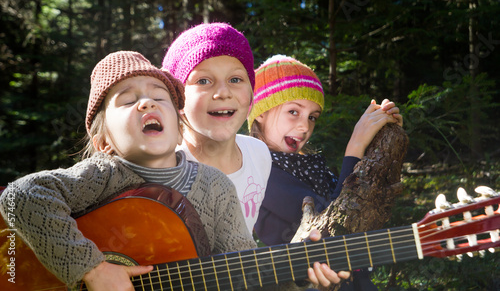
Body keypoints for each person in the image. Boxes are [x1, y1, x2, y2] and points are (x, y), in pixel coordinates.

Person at [0, 51, 348, 290]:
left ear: (178, 123)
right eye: (126, 100)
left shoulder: (215, 187)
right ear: (103, 139)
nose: (147, 102)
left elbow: (243, 271)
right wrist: (92, 269)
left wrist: (299, 273)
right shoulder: (105, 174)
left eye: (159, 96)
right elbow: (21, 195)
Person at [248, 55, 403, 290]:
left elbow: (362, 204)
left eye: (312, 117)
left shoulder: (310, 166)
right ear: (261, 112)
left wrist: (383, 138)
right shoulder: (260, 171)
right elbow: (333, 223)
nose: (305, 126)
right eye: (293, 112)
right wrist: (356, 145)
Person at [161, 22, 272, 233]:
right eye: (203, 80)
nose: (223, 92)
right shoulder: (163, 169)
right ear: (176, 96)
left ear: (251, 90)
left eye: (235, 79)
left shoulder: (259, 155)